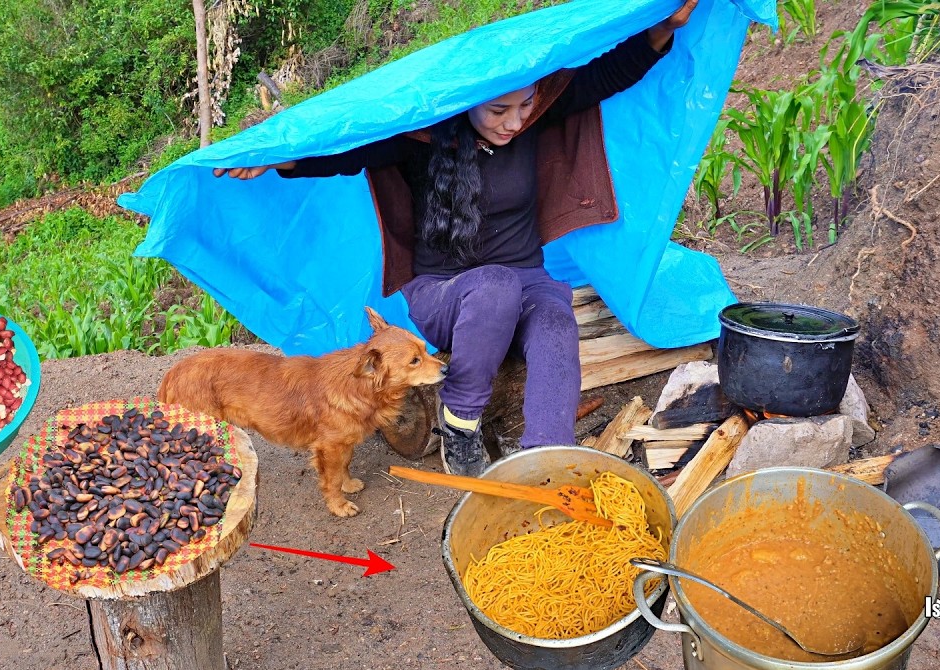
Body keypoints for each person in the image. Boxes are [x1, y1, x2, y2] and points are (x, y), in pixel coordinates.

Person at [215, 1, 698, 476]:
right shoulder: (419, 138)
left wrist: (661, 29)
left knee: (554, 322)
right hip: (443, 293)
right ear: (468, 104)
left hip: (525, 280)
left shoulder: (532, 119)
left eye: (526, 105)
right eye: (499, 110)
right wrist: (277, 157)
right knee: (496, 285)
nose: (515, 121)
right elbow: (344, 146)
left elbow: (605, 76)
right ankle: (459, 420)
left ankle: (547, 461)